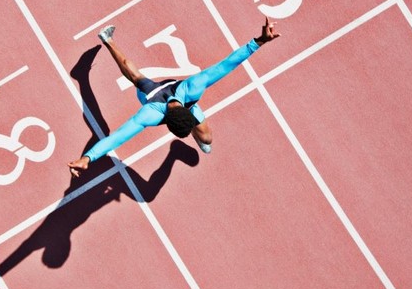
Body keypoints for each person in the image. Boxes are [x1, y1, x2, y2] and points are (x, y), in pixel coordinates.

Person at [68, 17, 281, 177]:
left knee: (205, 138)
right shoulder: (151, 113)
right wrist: (89, 157)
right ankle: (107, 40)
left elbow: (226, 65)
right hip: (152, 97)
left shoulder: (192, 89)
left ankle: (100, 51)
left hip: (173, 98)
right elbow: (118, 136)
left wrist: (259, 41)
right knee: (136, 77)